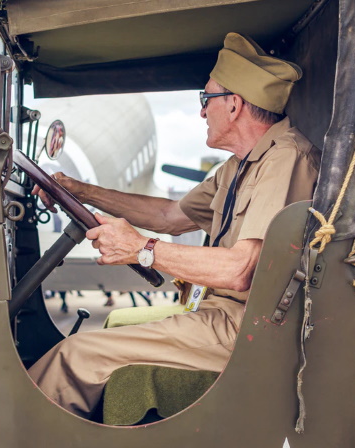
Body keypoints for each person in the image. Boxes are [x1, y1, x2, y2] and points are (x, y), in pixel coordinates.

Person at [29, 33, 321, 418]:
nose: (202, 112)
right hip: (220, 316)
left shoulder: (286, 159)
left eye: (207, 99)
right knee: (110, 328)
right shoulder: (239, 165)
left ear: (233, 105)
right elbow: (169, 216)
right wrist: (79, 190)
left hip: (247, 331)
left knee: (72, 357)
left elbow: (240, 270)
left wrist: (141, 250)